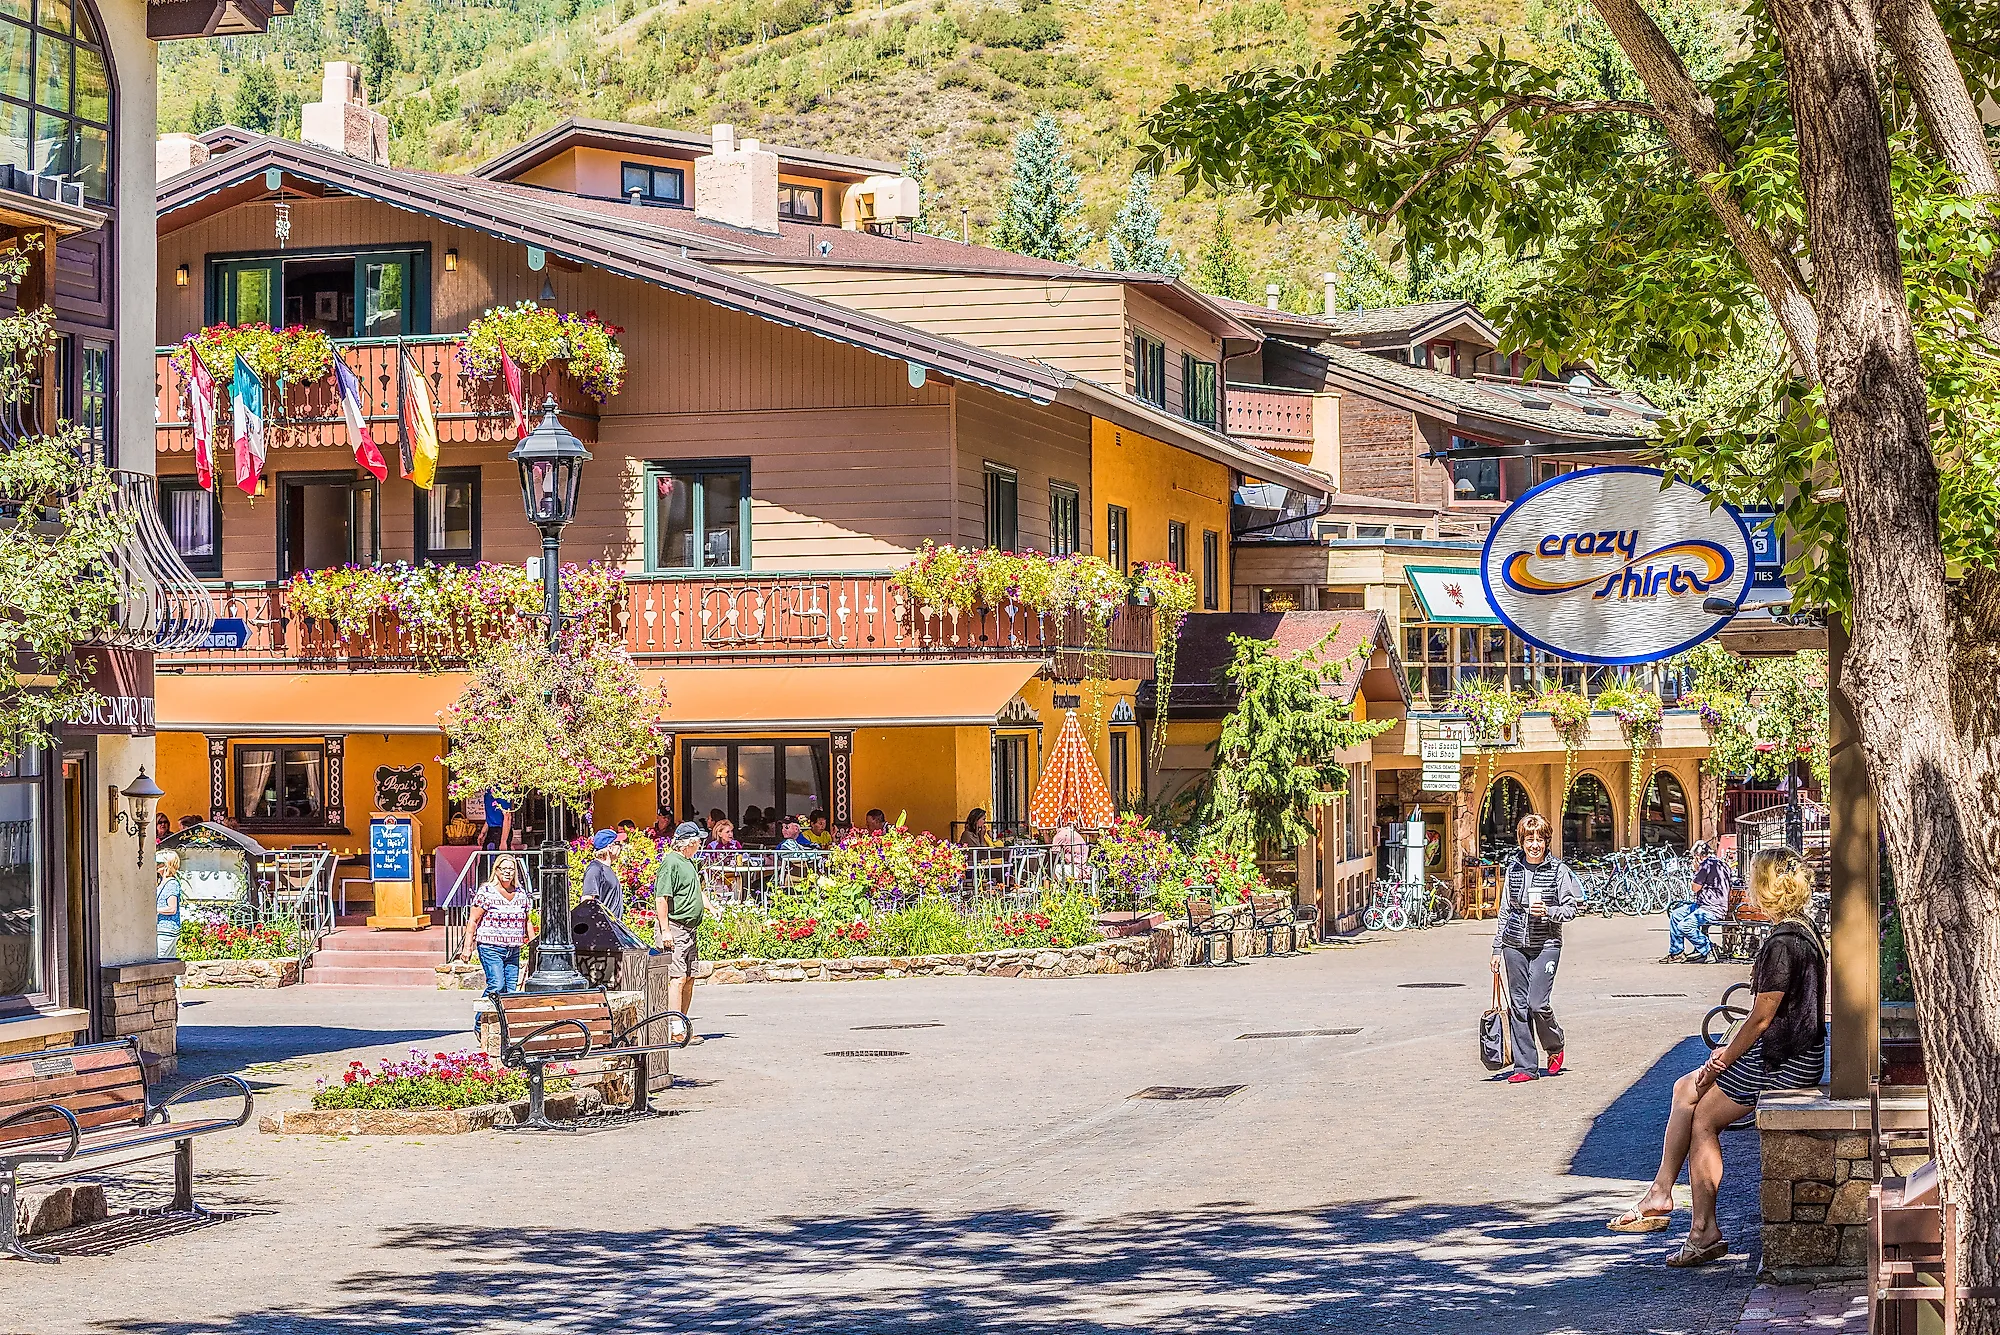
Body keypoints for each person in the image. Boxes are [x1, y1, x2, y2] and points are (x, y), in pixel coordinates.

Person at [1609, 847, 1826, 1267]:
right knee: (1682, 1088)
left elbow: (1762, 1018)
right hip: (1791, 1050)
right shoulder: (1804, 930)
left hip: (1785, 1059)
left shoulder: (1784, 942)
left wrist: (1721, 1059)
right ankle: (1660, 1192)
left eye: (1753, 881)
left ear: (1768, 888)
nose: (1747, 888)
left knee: (1703, 1117)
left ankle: (1702, 1230)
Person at [1489, 812, 1584, 1083]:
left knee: (1537, 1003)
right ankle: (1525, 1067)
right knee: (1518, 1006)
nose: (1534, 844)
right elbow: (1505, 911)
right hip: (1514, 944)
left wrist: (1550, 911)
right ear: (1521, 841)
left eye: (1539, 839)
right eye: (1529, 839)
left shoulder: (1558, 871)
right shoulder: (1514, 869)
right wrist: (1497, 949)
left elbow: (1571, 909)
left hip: (1547, 943)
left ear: (1546, 841)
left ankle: (1555, 1046)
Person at [653, 824, 708, 1044]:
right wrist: (665, 930)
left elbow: (696, 891)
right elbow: (661, 898)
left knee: (689, 977)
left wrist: (710, 907)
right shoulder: (671, 862)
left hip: (689, 930)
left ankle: (683, 1026)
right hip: (675, 928)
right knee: (677, 978)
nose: (701, 845)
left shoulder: (689, 863)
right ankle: (676, 1030)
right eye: (699, 841)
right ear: (691, 842)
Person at [458, 854, 533, 998]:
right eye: (504, 868)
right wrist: (467, 947)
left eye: (511, 869)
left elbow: (527, 921)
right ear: (496, 870)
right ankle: (480, 1019)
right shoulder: (487, 892)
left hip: (513, 949)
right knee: (497, 985)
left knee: (511, 991)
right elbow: (473, 920)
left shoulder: (521, 893)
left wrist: (533, 944)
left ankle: (501, 1020)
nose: (507, 872)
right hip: (491, 947)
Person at [1665, 841, 1733, 963]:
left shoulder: (1705, 865)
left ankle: (1708, 948)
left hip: (1711, 908)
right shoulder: (1722, 864)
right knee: (1676, 914)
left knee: (1685, 926)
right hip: (1706, 905)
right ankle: (1677, 952)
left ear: (1698, 856)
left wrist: (1696, 870)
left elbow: (1695, 888)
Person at [580, 829, 625, 920]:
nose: (622, 846)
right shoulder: (595, 869)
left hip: (613, 928)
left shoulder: (606, 869)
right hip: (604, 929)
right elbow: (587, 902)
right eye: (619, 844)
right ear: (610, 847)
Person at [155, 851, 183, 960]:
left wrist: (155, 910)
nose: (157, 866)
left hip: (167, 930)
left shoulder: (171, 884)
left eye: (159, 863)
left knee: (160, 961)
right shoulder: (162, 882)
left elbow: (172, 908)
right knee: (169, 963)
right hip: (163, 929)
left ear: (167, 865)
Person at [1049, 812, 1088, 882]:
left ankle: (1059, 889)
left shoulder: (1060, 835)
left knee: (1054, 868)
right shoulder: (1072, 833)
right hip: (1083, 868)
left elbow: (1054, 853)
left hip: (1075, 869)